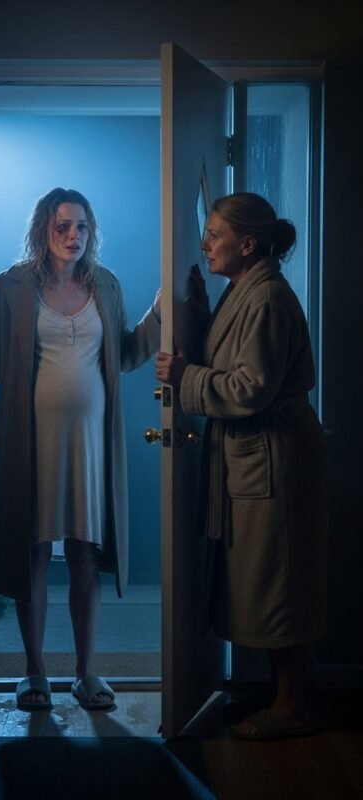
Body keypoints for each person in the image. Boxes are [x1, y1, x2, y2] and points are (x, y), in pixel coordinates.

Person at [0, 187, 161, 711]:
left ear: (90, 232)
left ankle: (86, 673)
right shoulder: (12, 287)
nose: (73, 235)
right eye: (63, 226)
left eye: (81, 226)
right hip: (30, 443)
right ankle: (35, 673)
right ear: (44, 230)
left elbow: (125, 354)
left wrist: (159, 316)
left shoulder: (105, 284)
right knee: (33, 555)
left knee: (85, 555)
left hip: (90, 445)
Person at [155, 192, 328, 741]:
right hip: (258, 454)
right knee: (266, 577)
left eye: (215, 235)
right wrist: (200, 312)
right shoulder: (245, 290)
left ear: (247, 245)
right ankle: (278, 695)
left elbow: (251, 387)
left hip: (275, 457)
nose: (205, 244)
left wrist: (184, 377)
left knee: (280, 581)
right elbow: (237, 355)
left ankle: (291, 707)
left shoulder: (268, 297)